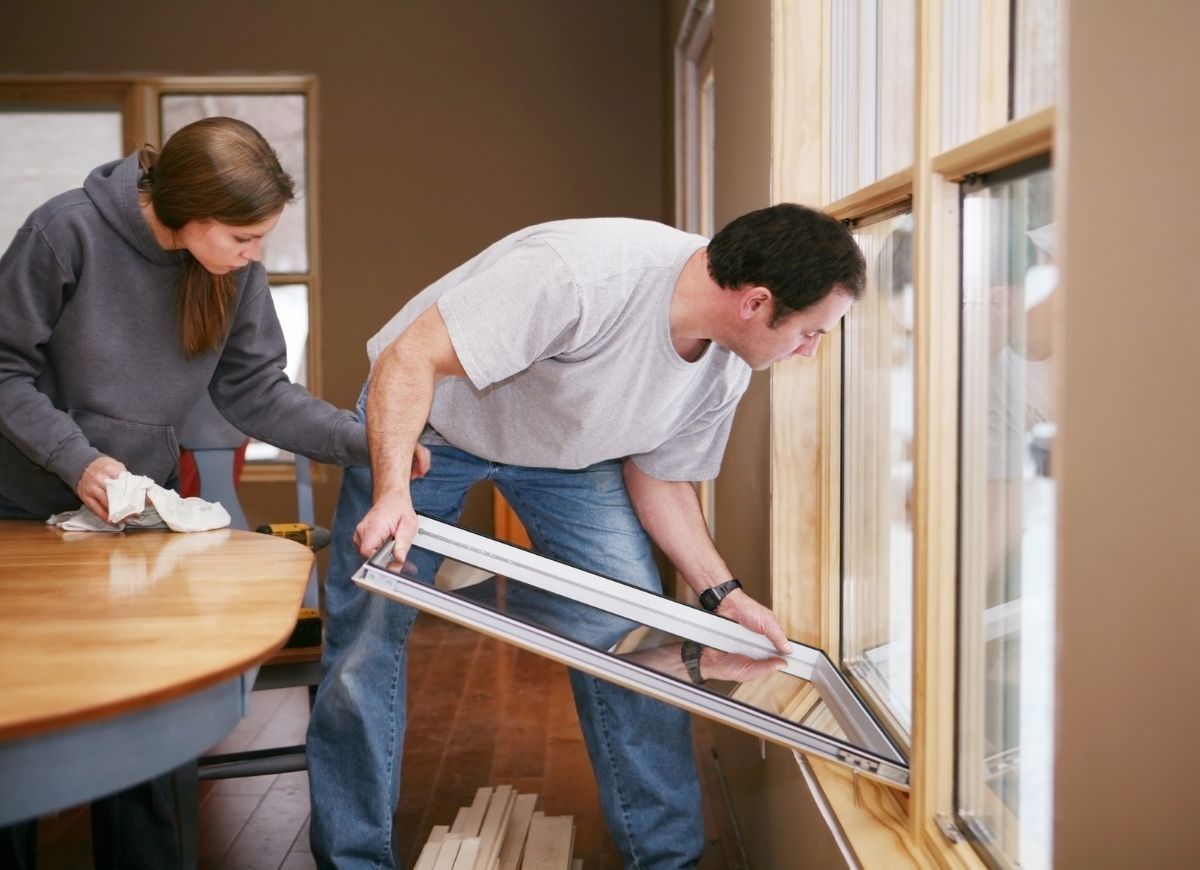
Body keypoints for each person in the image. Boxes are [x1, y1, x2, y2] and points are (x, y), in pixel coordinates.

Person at [307, 204, 865, 869]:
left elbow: (660, 479)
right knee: (366, 637)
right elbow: (409, 357)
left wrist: (723, 594)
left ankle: (666, 860)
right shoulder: (582, 276)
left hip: (572, 456)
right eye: (811, 332)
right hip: (430, 426)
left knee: (633, 634)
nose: (811, 350)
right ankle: (354, 861)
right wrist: (394, 489)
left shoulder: (726, 368)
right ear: (757, 302)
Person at [0, 117, 397, 869]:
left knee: (148, 729)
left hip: (130, 519)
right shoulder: (64, 233)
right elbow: (1, 369)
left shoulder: (229, 270)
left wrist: (369, 442)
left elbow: (257, 392)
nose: (256, 258)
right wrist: (77, 460)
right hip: (21, 509)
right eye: (244, 239)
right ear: (187, 210)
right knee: (19, 728)